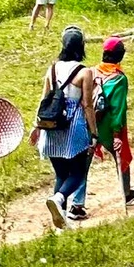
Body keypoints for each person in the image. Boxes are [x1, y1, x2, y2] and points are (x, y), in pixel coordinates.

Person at [33, 25, 97, 226]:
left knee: (61, 174)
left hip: (51, 125)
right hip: (73, 126)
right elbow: (87, 104)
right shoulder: (84, 72)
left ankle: (59, 223)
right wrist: (93, 133)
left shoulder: (52, 68)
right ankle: (59, 199)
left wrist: (36, 126)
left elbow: (44, 99)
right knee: (77, 173)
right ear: (81, 46)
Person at [92, 36, 134, 206]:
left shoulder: (92, 71)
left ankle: (77, 203)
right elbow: (118, 108)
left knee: (83, 164)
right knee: (121, 155)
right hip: (108, 125)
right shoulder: (119, 78)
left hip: (90, 123)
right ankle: (126, 193)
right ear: (120, 56)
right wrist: (117, 134)